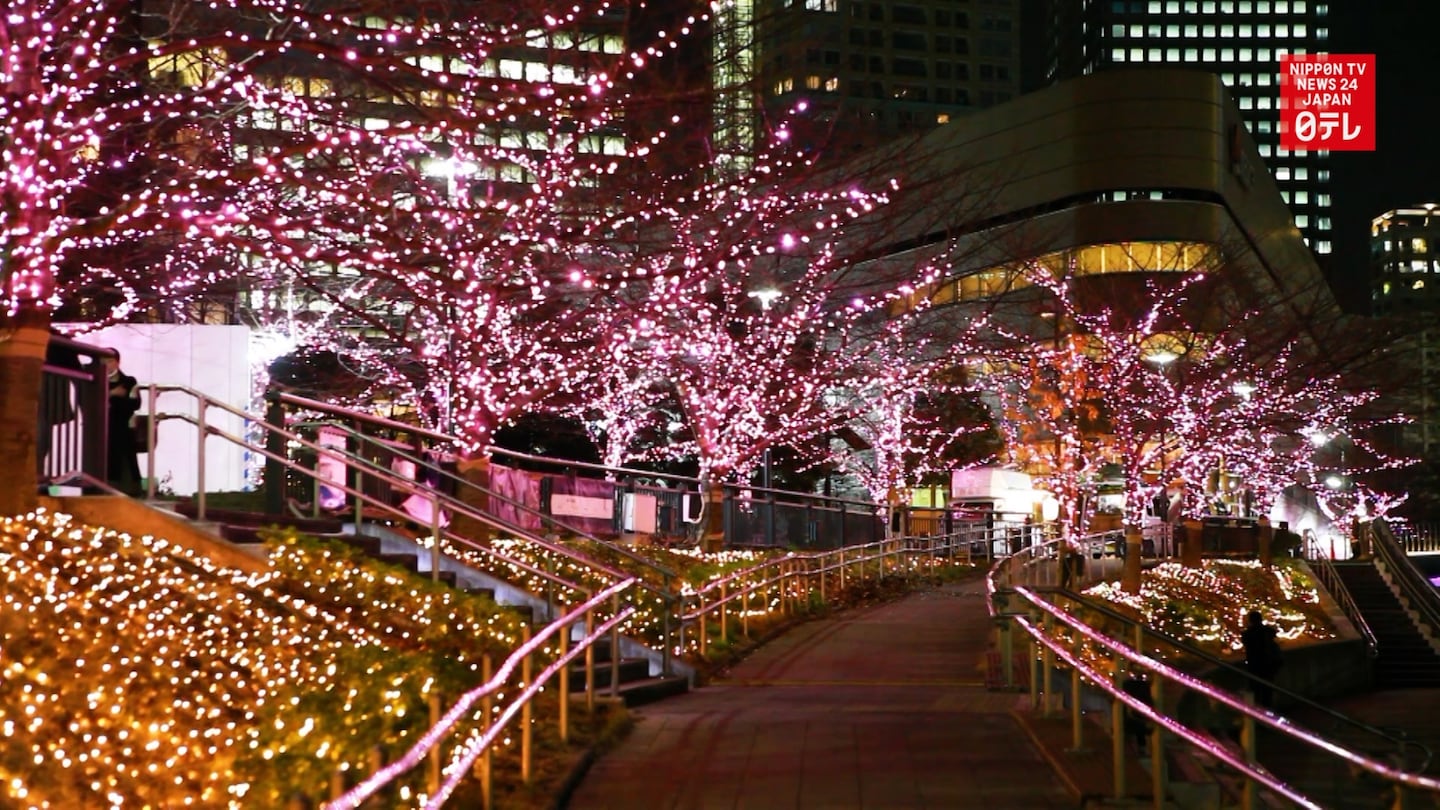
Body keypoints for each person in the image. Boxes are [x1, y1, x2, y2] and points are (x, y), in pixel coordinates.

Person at [104, 349, 143, 494]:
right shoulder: (96, 379)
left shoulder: (129, 381)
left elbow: (134, 404)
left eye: (110, 361)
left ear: (117, 362)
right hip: (100, 427)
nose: (107, 365)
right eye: (104, 361)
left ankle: (129, 489)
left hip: (122, 427)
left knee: (125, 459)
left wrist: (110, 401)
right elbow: (90, 401)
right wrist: (112, 394)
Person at [1240, 610, 1283, 708]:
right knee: (1267, 691)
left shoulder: (1248, 634)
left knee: (1256, 691)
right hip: (1268, 665)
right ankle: (1268, 711)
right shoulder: (1268, 632)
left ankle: (1259, 713)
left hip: (1254, 666)